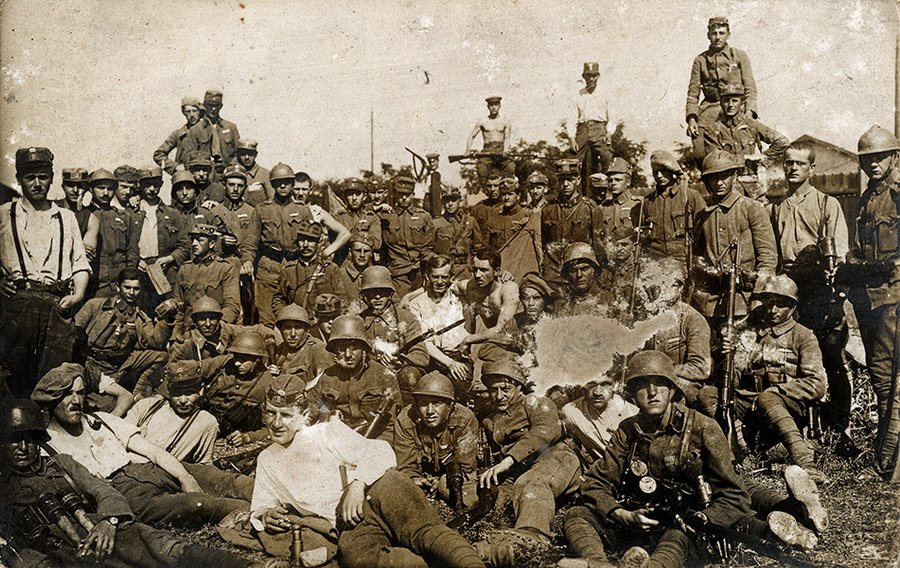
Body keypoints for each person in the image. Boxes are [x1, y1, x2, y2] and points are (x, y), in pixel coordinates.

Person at [561, 350, 819, 568]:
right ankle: (597, 563)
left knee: (676, 535)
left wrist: (704, 518)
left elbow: (735, 495)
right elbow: (595, 483)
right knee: (577, 514)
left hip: (691, 522)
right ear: (631, 394)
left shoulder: (702, 427)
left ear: (672, 390)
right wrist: (621, 514)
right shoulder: (628, 430)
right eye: (642, 385)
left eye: (660, 384)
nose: (652, 392)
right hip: (641, 517)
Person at [248, 376, 502, 568]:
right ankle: (468, 556)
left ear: (304, 415)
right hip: (350, 520)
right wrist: (266, 514)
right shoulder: (267, 459)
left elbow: (380, 451)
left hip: (380, 488)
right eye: (270, 413)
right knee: (357, 559)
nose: (277, 423)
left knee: (423, 533)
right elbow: (260, 507)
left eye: (286, 415)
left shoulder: (325, 432)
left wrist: (357, 485)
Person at [0, 398, 254, 568]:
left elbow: (103, 490)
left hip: (101, 531)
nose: (23, 447)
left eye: (30, 439)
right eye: (14, 440)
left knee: (165, 547)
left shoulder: (61, 463)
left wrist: (109, 522)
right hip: (56, 555)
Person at [31, 363, 251, 528]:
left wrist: (186, 477)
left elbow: (153, 452)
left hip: (145, 470)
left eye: (80, 393)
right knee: (196, 504)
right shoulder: (47, 447)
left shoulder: (100, 420)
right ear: (50, 400)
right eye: (66, 395)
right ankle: (258, 512)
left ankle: (267, 492)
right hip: (126, 496)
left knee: (216, 478)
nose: (76, 401)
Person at [697, 275, 827, 480]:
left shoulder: (803, 335)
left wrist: (778, 390)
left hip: (789, 407)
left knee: (768, 398)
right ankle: (742, 448)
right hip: (753, 403)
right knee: (708, 394)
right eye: (769, 303)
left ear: (792, 307)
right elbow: (734, 381)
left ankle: (806, 463)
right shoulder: (752, 332)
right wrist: (729, 357)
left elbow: (817, 384)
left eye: (780, 304)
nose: (773, 310)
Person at [770, 143, 853, 446]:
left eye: (800, 163)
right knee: (793, 355)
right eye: (788, 163)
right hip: (789, 288)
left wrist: (834, 284)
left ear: (811, 169)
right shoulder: (776, 208)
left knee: (831, 354)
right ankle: (800, 426)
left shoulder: (827, 204)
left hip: (819, 286)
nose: (793, 168)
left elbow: (838, 252)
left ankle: (841, 427)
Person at [0, 147, 91, 396]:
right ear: (19, 180)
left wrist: (78, 295)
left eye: (43, 177)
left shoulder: (66, 217)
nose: (37, 184)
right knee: (13, 376)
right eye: (30, 177)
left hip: (56, 304)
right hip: (18, 304)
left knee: (54, 379)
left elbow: (80, 263)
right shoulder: (4, 214)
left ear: (51, 179)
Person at [842, 125, 900, 481]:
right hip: (868, 298)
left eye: (880, 157)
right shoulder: (866, 199)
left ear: (894, 157)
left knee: (892, 377)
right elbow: (860, 248)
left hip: (893, 296)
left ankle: (891, 461)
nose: (873, 164)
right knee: (881, 377)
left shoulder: (897, 194)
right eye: (867, 159)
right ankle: (886, 454)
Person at [478, 358, 582, 548]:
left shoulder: (534, 402)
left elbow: (544, 430)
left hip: (555, 458)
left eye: (505, 389)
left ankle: (531, 541)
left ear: (519, 386)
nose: (499, 396)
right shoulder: (492, 418)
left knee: (532, 485)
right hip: (519, 471)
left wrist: (508, 461)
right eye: (493, 390)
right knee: (491, 497)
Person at [240, 163, 349, 325]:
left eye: (287, 182)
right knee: (267, 320)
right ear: (273, 185)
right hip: (269, 270)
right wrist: (247, 261)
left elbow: (311, 239)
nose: (283, 186)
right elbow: (250, 241)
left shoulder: (303, 210)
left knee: (296, 317)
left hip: (294, 269)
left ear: (292, 184)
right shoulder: (261, 210)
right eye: (278, 182)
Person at [691, 150, 776, 322]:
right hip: (710, 304)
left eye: (724, 176)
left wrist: (759, 297)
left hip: (745, 300)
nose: (719, 183)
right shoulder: (702, 215)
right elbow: (697, 255)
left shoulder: (752, 208)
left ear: (734, 176)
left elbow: (767, 258)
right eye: (713, 178)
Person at [74, 267, 174, 402]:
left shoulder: (141, 317)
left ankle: (138, 391)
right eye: (127, 287)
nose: (131, 293)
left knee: (161, 356)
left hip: (121, 364)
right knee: (105, 405)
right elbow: (76, 329)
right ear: (118, 287)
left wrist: (167, 320)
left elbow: (154, 341)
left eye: (136, 289)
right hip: (93, 362)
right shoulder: (96, 305)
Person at [307, 314, 403, 443]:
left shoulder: (384, 377)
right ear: (335, 350)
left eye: (354, 348)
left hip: (373, 441)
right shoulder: (327, 377)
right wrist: (326, 413)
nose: (348, 355)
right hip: (336, 440)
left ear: (364, 349)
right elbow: (313, 410)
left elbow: (391, 426)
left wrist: (379, 447)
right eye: (342, 348)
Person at [393, 371, 480, 509]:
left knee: (464, 495)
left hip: (455, 475)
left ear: (450, 405)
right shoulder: (405, 420)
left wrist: (441, 481)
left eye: (437, 404)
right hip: (422, 476)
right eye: (423, 404)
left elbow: (466, 466)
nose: (429, 411)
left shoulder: (465, 419)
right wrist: (415, 479)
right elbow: (406, 465)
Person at [686, 16, 758, 167]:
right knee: (700, 153)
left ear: (728, 34)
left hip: (736, 108)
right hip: (709, 110)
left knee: (743, 150)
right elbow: (693, 93)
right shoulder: (700, 60)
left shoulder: (740, 56)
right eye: (714, 33)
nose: (718, 37)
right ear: (708, 35)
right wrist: (692, 119)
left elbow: (750, 87)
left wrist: (749, 113)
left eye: (721, 33)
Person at [699, 83, 789, 199]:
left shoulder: (751, 125)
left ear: (742, 103)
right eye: (726, 101)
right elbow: (715, 161)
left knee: (762, 209)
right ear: (720, 102)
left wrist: (764, 158)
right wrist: (746, 158)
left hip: (754, 185)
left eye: (734, 101)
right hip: (728, 187)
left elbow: (782, 141)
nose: (730, 105)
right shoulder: (712, 130)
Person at [203, 330, 293, 444]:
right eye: (236, 357)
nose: (236, 363)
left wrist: (249, 437)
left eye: (243, 359)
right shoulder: (225, 364)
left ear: (257, 360)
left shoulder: (267, 385)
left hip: (223, 430)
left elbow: (275, 426)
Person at [357, 266, 430, 404]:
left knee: (410, 376)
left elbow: (421, 355)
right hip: (368, 373)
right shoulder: (358, 322)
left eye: (383, 292)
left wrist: (400, 360)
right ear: (365, 296)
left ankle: (407, 413)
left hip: (400, 372)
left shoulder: (406, 318)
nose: (377, 297)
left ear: (390, 294)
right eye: (372, 292)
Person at [124, 359, 220, 464]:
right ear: (169, 391)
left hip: (161, 471)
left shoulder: (205, 422)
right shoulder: (147, 406)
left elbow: (204, 463)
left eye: (189, 393)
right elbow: (120, 436)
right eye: (177, 393)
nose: (183, 400)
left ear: (200, 390)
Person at [407, 255, 471, 390]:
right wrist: (449, 363)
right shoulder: (416, 304)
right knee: (412, 379)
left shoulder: (461, 299)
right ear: (427, 277)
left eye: (444, 277)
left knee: (459, 382)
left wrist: (503, 279)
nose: (440, 282)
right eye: (435, 277)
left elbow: (484, 287)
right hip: (429, 358)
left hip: (456, 355)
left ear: (451, 278)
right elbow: (424, 341)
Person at [135, 166, 191, 312]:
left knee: (167, 311)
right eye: (147, 185)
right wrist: (136, 260)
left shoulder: (172, 214)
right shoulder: (132, 212)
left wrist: (169, 259)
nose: (152, 189)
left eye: (156, 185)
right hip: (138, 269)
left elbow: (184, 245)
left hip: (164, 271)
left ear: (161, 184)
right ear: (140, 185)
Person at [542, 158, 604, 286]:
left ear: (578, 180)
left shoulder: (590, 208)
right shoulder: (548, 209)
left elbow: (598, 246)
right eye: (562, 180)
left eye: (570, 180)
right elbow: (544, 242)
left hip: (579, 274)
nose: (565, 184)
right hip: (553, 275)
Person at [271, 219, 352, 316]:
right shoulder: (289, 270)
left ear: (319, 242)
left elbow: (342, 300)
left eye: (310, 240)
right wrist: (287, 317)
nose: (305, 245)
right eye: (302, 240)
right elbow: (278, 300)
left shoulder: (330, 269)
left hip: (324, 321)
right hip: (298, 321)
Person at [641, 150, 706, 266]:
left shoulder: (690, 196)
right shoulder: (648, 202)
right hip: (656, 263)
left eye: (663, 171)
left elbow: (704, 231)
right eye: (655, 172)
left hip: (683, 262)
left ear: (672, 171)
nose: (659, 176)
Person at [560, 373, 638, 467]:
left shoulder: (633, 413)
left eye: (605, 384)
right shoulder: (571, 412)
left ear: (616, 385)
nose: (597, 392)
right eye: (591, 384)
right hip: (602, 470)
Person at [87, 168, 140, 298]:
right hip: (93, 284)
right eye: (101, 188)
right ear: (91, 190)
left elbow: (132, 251)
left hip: (117, 284)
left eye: (110, 189)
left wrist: (128, 279)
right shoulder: (84, 215)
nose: (106, 193)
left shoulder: (124, 217)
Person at [458, 250, 521, 358]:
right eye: (475, 269)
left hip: (521, 338)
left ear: (497, 271)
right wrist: (467, 310)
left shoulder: (507, 289)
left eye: (483, 270)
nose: (477, 275)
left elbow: (502, 329)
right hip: (499, 343)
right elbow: (449, 286)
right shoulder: (471, 287)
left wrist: (468, 339)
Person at [381, 174, 435, 297]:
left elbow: (428, 248)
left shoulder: (424, 217)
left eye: (407, 194)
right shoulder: (386, 217)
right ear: (395, 194)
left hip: (420, 273)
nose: (404, 198)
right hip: (397, 274)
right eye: (400, 194)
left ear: (413, 195)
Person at [566, 62, 614, 188]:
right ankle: (572, 190)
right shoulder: (577, 94)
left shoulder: (605, 93)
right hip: (582, 129)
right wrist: (572, 138)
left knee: (606, 157)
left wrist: (609, 133)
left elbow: (612, 116)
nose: (591, 79)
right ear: (584, 76)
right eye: (588, 75)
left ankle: (607, 190)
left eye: (594, 75)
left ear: (598, 76)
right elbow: (572, 117)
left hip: (600, 129)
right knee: (572, 159)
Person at [483, 177, 541, 279]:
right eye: (504, 194)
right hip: (500, 271)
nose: (506, 198)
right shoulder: (493, 220)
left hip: (522, 270)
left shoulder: (529, 215)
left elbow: (537, 245)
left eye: (510, 194)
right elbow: (487, 249)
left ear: (518, 196)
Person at [181, 89, 241, 174]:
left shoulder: (231, 127)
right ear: (204, 105)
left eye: (216, 105)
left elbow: (238, 154)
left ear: (221, 106)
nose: (213, 109)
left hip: (227, 174)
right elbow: (188, 158)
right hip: (205, 175)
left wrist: (230, 169)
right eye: (210, 105)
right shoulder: (195, 130)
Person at [599, 157, 641, 270]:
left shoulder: (638, 204)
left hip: (631, 264)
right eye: (610, 180)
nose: (613, 183)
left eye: (618, 180)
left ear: (628, 182)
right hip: (608, 264)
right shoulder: (603, 207)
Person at [270, 303, 330, 381]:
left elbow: (325, 382)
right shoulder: (279, 350)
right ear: (280, 329)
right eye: (287, 328)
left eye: (298, 328)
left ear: (306, 330)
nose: (292, 334)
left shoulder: (318, 349)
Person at [433, 184, 482, 278]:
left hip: (465, 270)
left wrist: (472, 267)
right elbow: (428, 249)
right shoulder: (436, 223)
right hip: (443, 271)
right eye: (447, 200)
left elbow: (478, 248)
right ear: (442, 202)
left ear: (460, 200)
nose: (450, 204)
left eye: (454, 199)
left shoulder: (470, 221)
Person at [466, 95, 515, 189]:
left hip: (501, 150)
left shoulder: (505, 122)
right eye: (491, 105)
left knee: (510, 167)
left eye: (496, 104)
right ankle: (487, 191)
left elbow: (507, 138)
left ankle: (506, 191)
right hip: (487, 151)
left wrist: (506, 150)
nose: (493, 107)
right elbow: (471, 136)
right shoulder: (482, 121)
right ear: (488, 107)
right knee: (482, 169)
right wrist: (468, 150)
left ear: (499, 106)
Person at [555, 242, 614, 317]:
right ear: (567, 275)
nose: (579, 275)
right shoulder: (562, 305)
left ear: (594, 270)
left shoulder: (608, 300)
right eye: (573, 270)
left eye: (584, 269)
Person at [333, 177, 382, 265]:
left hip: (365, 266)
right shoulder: (337, 219)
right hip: (342, 265)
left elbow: (376, 243)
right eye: (350, 194)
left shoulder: (371, 218)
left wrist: (346, 237)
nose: (354, 198)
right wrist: (362, 236)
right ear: (344, 197)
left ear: (364, 196)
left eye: (358, 194)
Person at [154, 96, 205, 175]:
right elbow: (158, 154)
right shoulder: (178, 134)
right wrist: (175, 167)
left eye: (194, 111)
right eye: (188, 111)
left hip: (205, 175)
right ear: (183, 113)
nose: (191, 115)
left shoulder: (209, 131)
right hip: (185, 176)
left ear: (200, 112)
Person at [56, 167, 98, 248]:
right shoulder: (52, 208)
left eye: (80, 186)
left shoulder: (90, 218)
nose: (75, 190)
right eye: (70, 185)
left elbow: (87, 253)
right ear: (63, 187)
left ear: (86, 189)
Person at [234, 138, 272, 206]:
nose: (247, 157)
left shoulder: (265, 174)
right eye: (243, 154)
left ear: (256, 154)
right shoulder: (233, 173)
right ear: (238, 154)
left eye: (250, 154)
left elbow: (272, 200)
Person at [341, 231, 376, 305]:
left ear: (371, 254)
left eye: (366, 251)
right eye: (358, 251)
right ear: (350, 252)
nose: (362, 255)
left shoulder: (376, 274)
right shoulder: (340, 274)